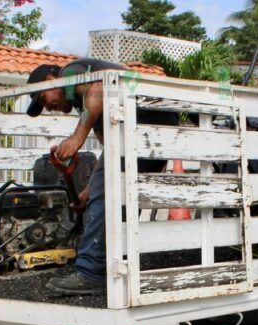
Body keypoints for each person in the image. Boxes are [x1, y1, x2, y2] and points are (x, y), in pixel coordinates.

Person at [25, 59, 173, 296]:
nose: (48, 106)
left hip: (146, 123)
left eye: (44, 98)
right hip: (154, 126)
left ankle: (91, 273)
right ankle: (114, 266)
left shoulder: (70, 74)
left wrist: (77, 138)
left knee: (108, 196)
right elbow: (110, 152)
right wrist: (89, 190)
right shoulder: (89, 104)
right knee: (119, 197)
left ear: (52, 80)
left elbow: (99, 88)